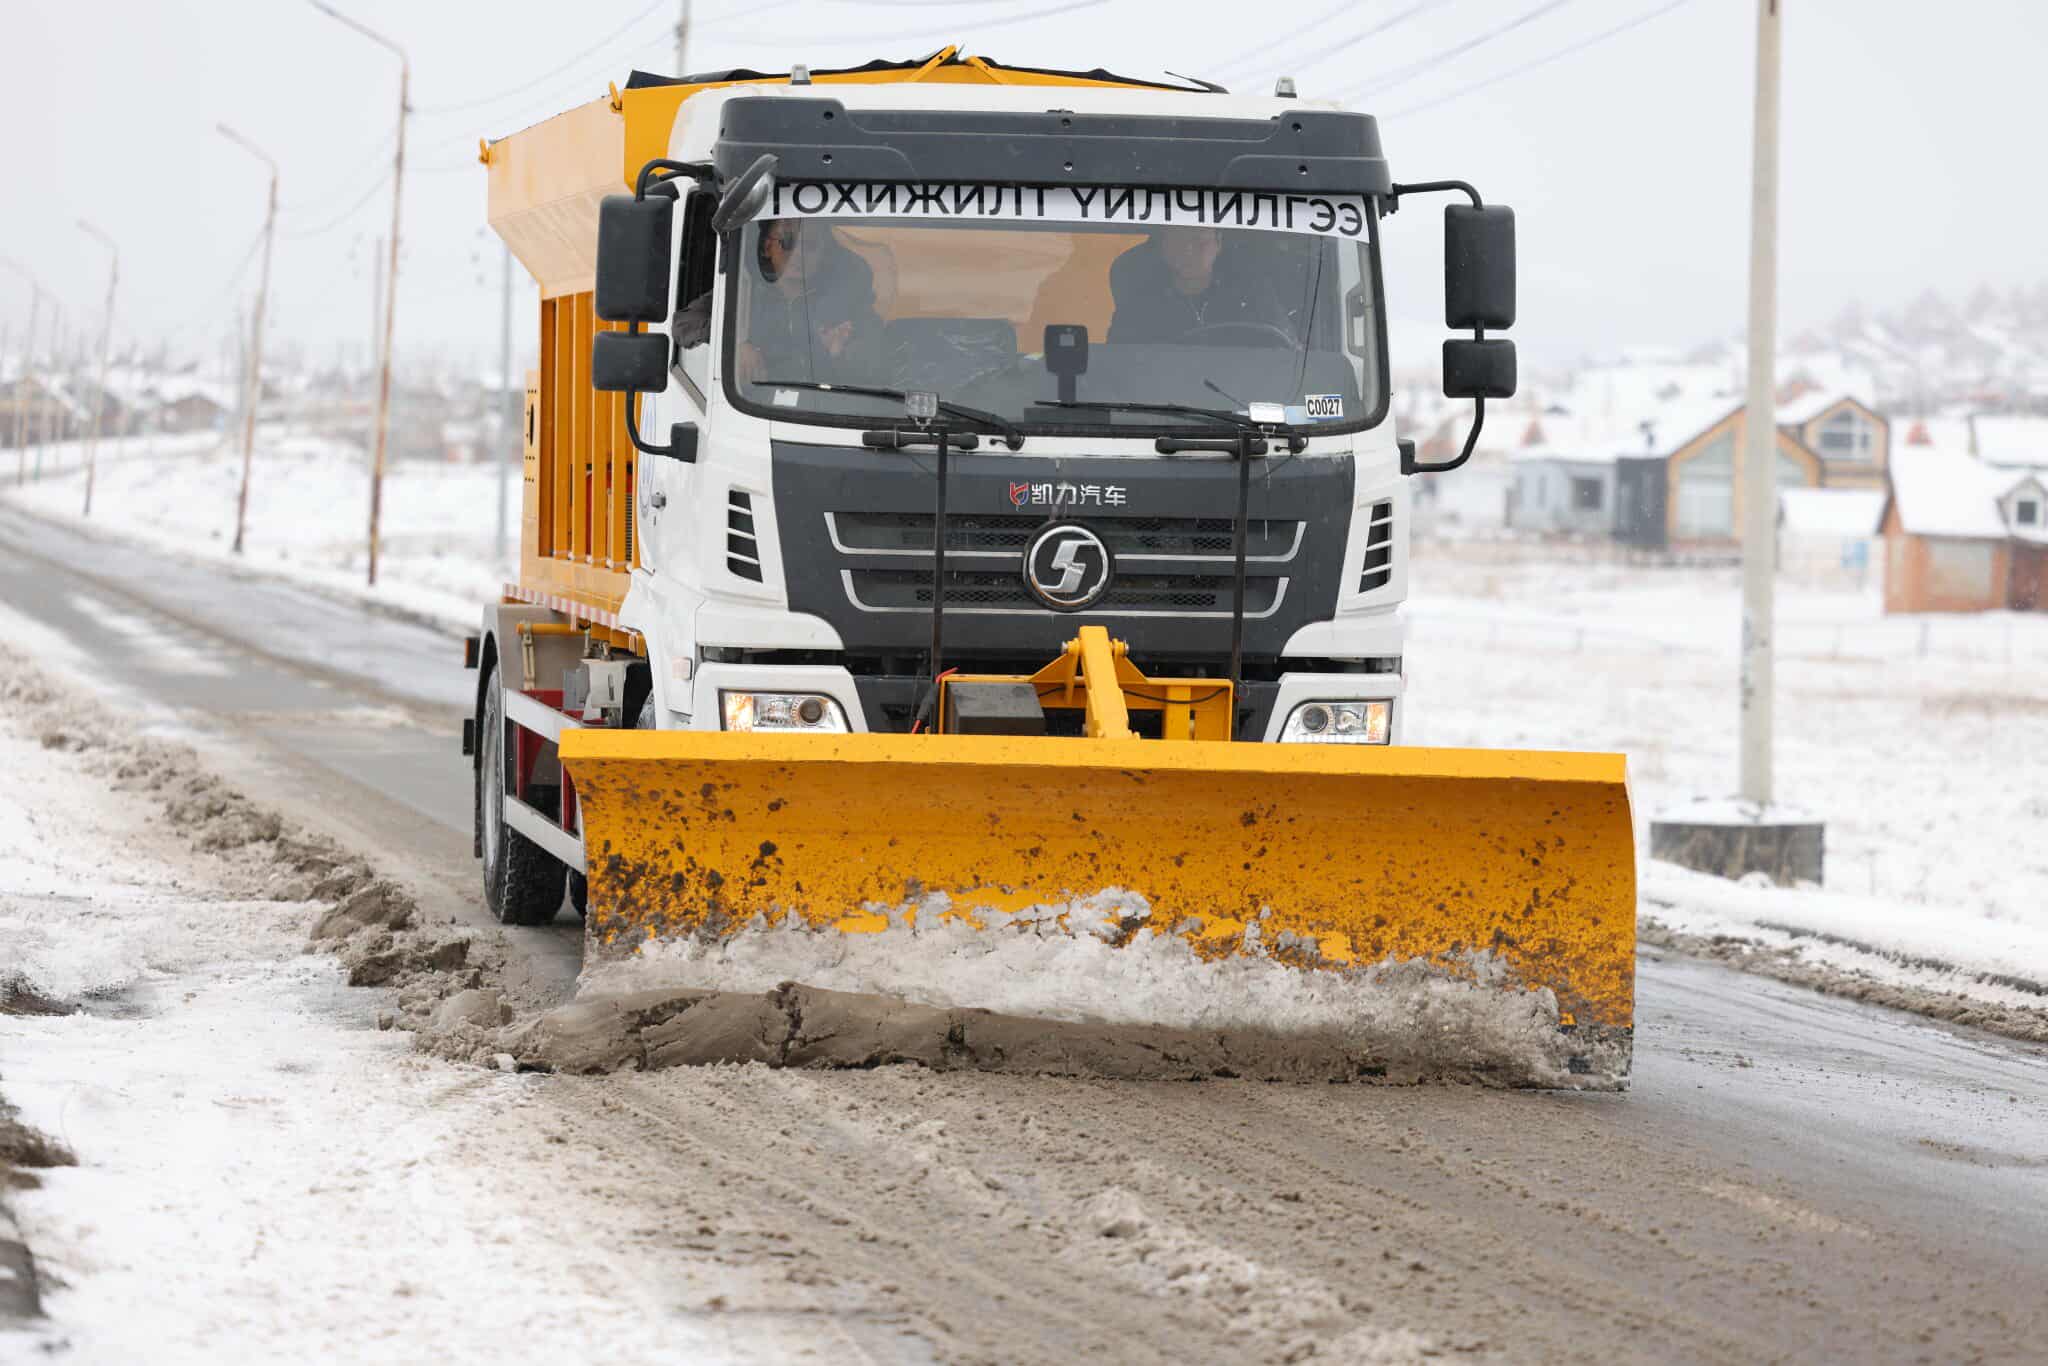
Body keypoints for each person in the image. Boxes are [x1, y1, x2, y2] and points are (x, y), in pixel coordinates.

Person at [735, 218, 880, 384]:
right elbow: (698, 319)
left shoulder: (850, 304)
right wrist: (739, 344)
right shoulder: (740, 289)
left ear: (822, 254)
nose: (798, 254)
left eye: (809, 246)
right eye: (787, 242)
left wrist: (840, 355)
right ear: (767, 247)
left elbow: (876, 372)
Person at [1106, 226, 1289, 345]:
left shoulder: (1255, 297)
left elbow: (1287, 352)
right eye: (1179, 241)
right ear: (1162, 248)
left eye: (1200, 241)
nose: (1189, 251)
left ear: (1218, 244)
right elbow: (1120, 370)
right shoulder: (1138, 310)